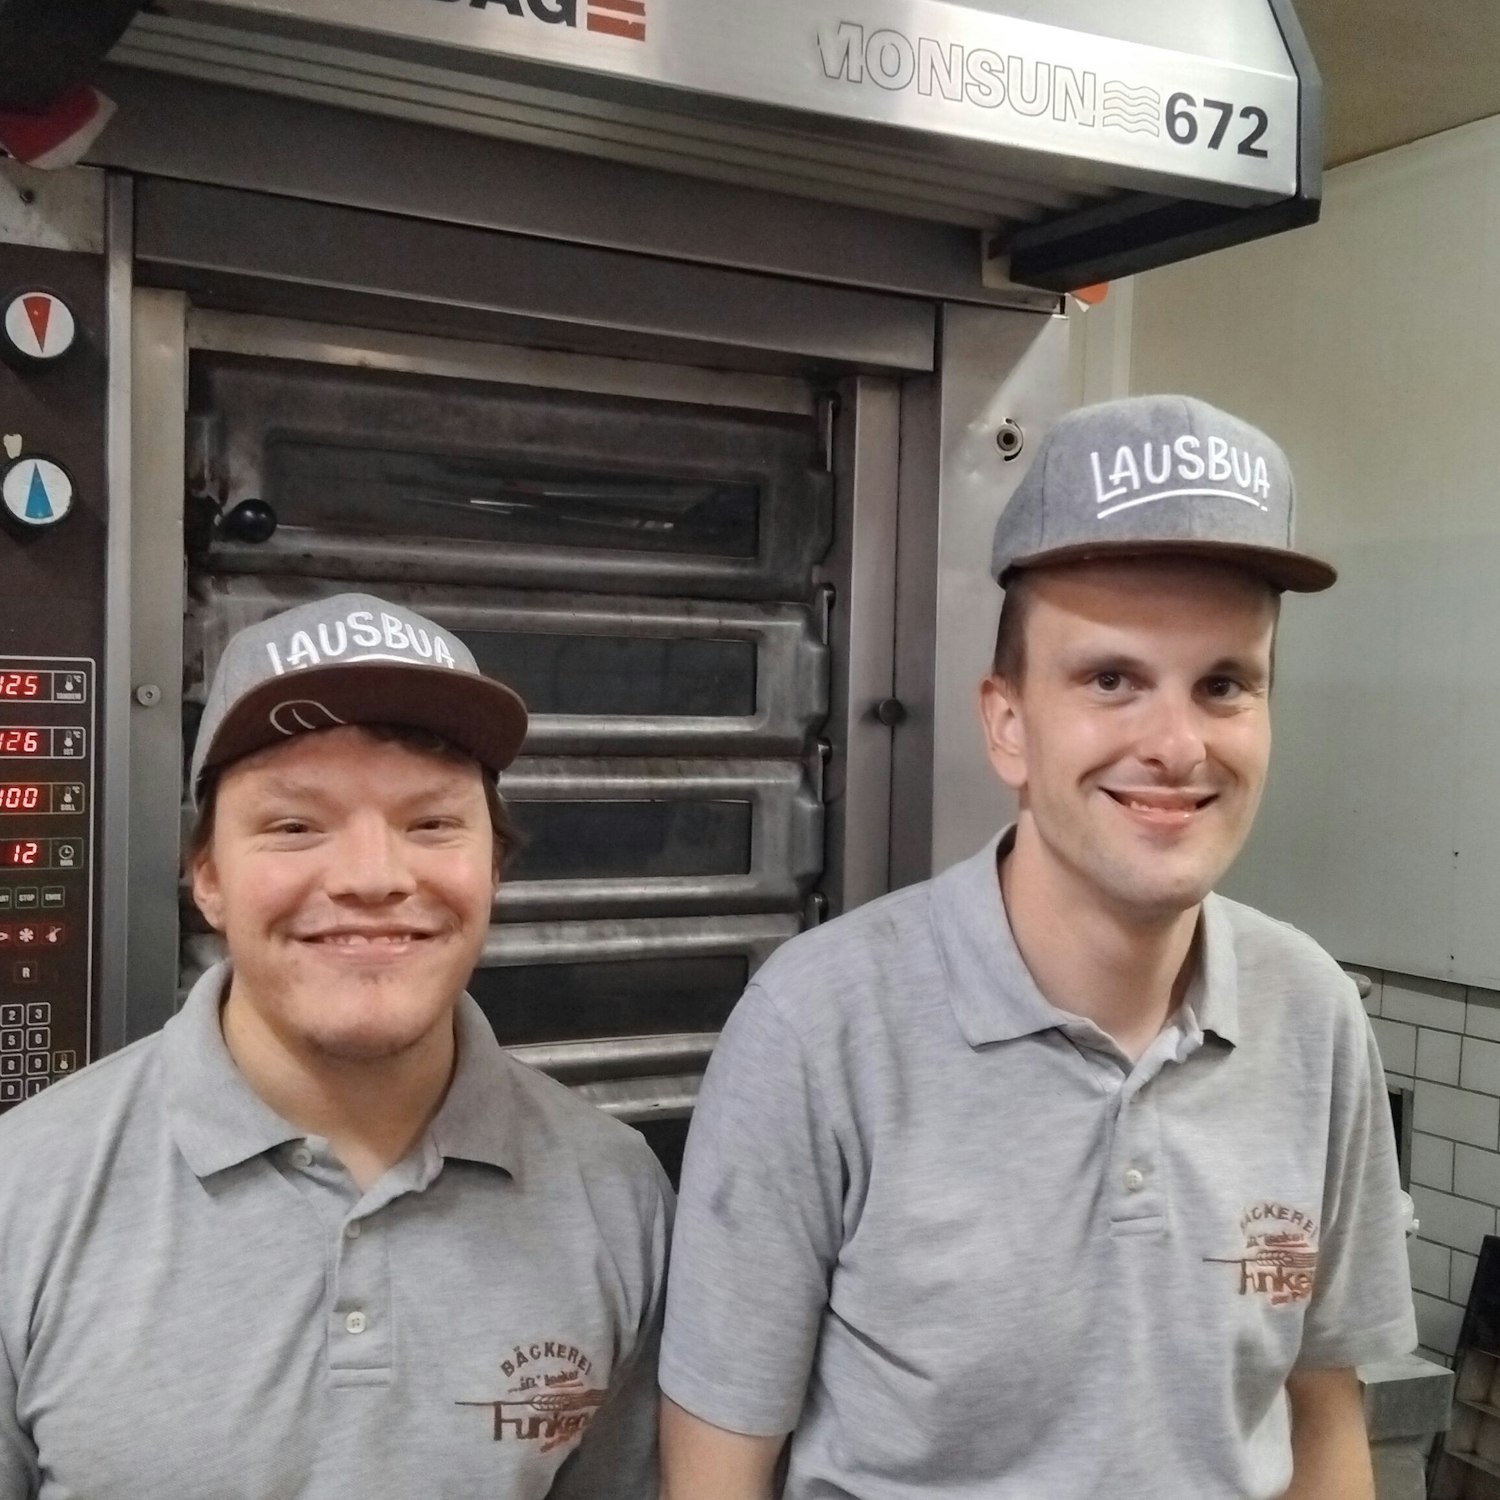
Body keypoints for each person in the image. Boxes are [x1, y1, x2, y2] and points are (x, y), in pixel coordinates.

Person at [659, 395, 1417, 1500]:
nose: (1176, 745)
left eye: (1224, 684)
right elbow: (717, 1470)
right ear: (1007, 722)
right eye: (1111, 679)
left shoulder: (1313, 1012)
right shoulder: (821, 1026)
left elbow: (1324, 1418)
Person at [0, 592, 671, 1499]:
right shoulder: (25, 1195)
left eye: (431, 823)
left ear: (494, 867)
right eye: (294, 825)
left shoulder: (616, 1195)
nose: (372, 878)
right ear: (208, 879)